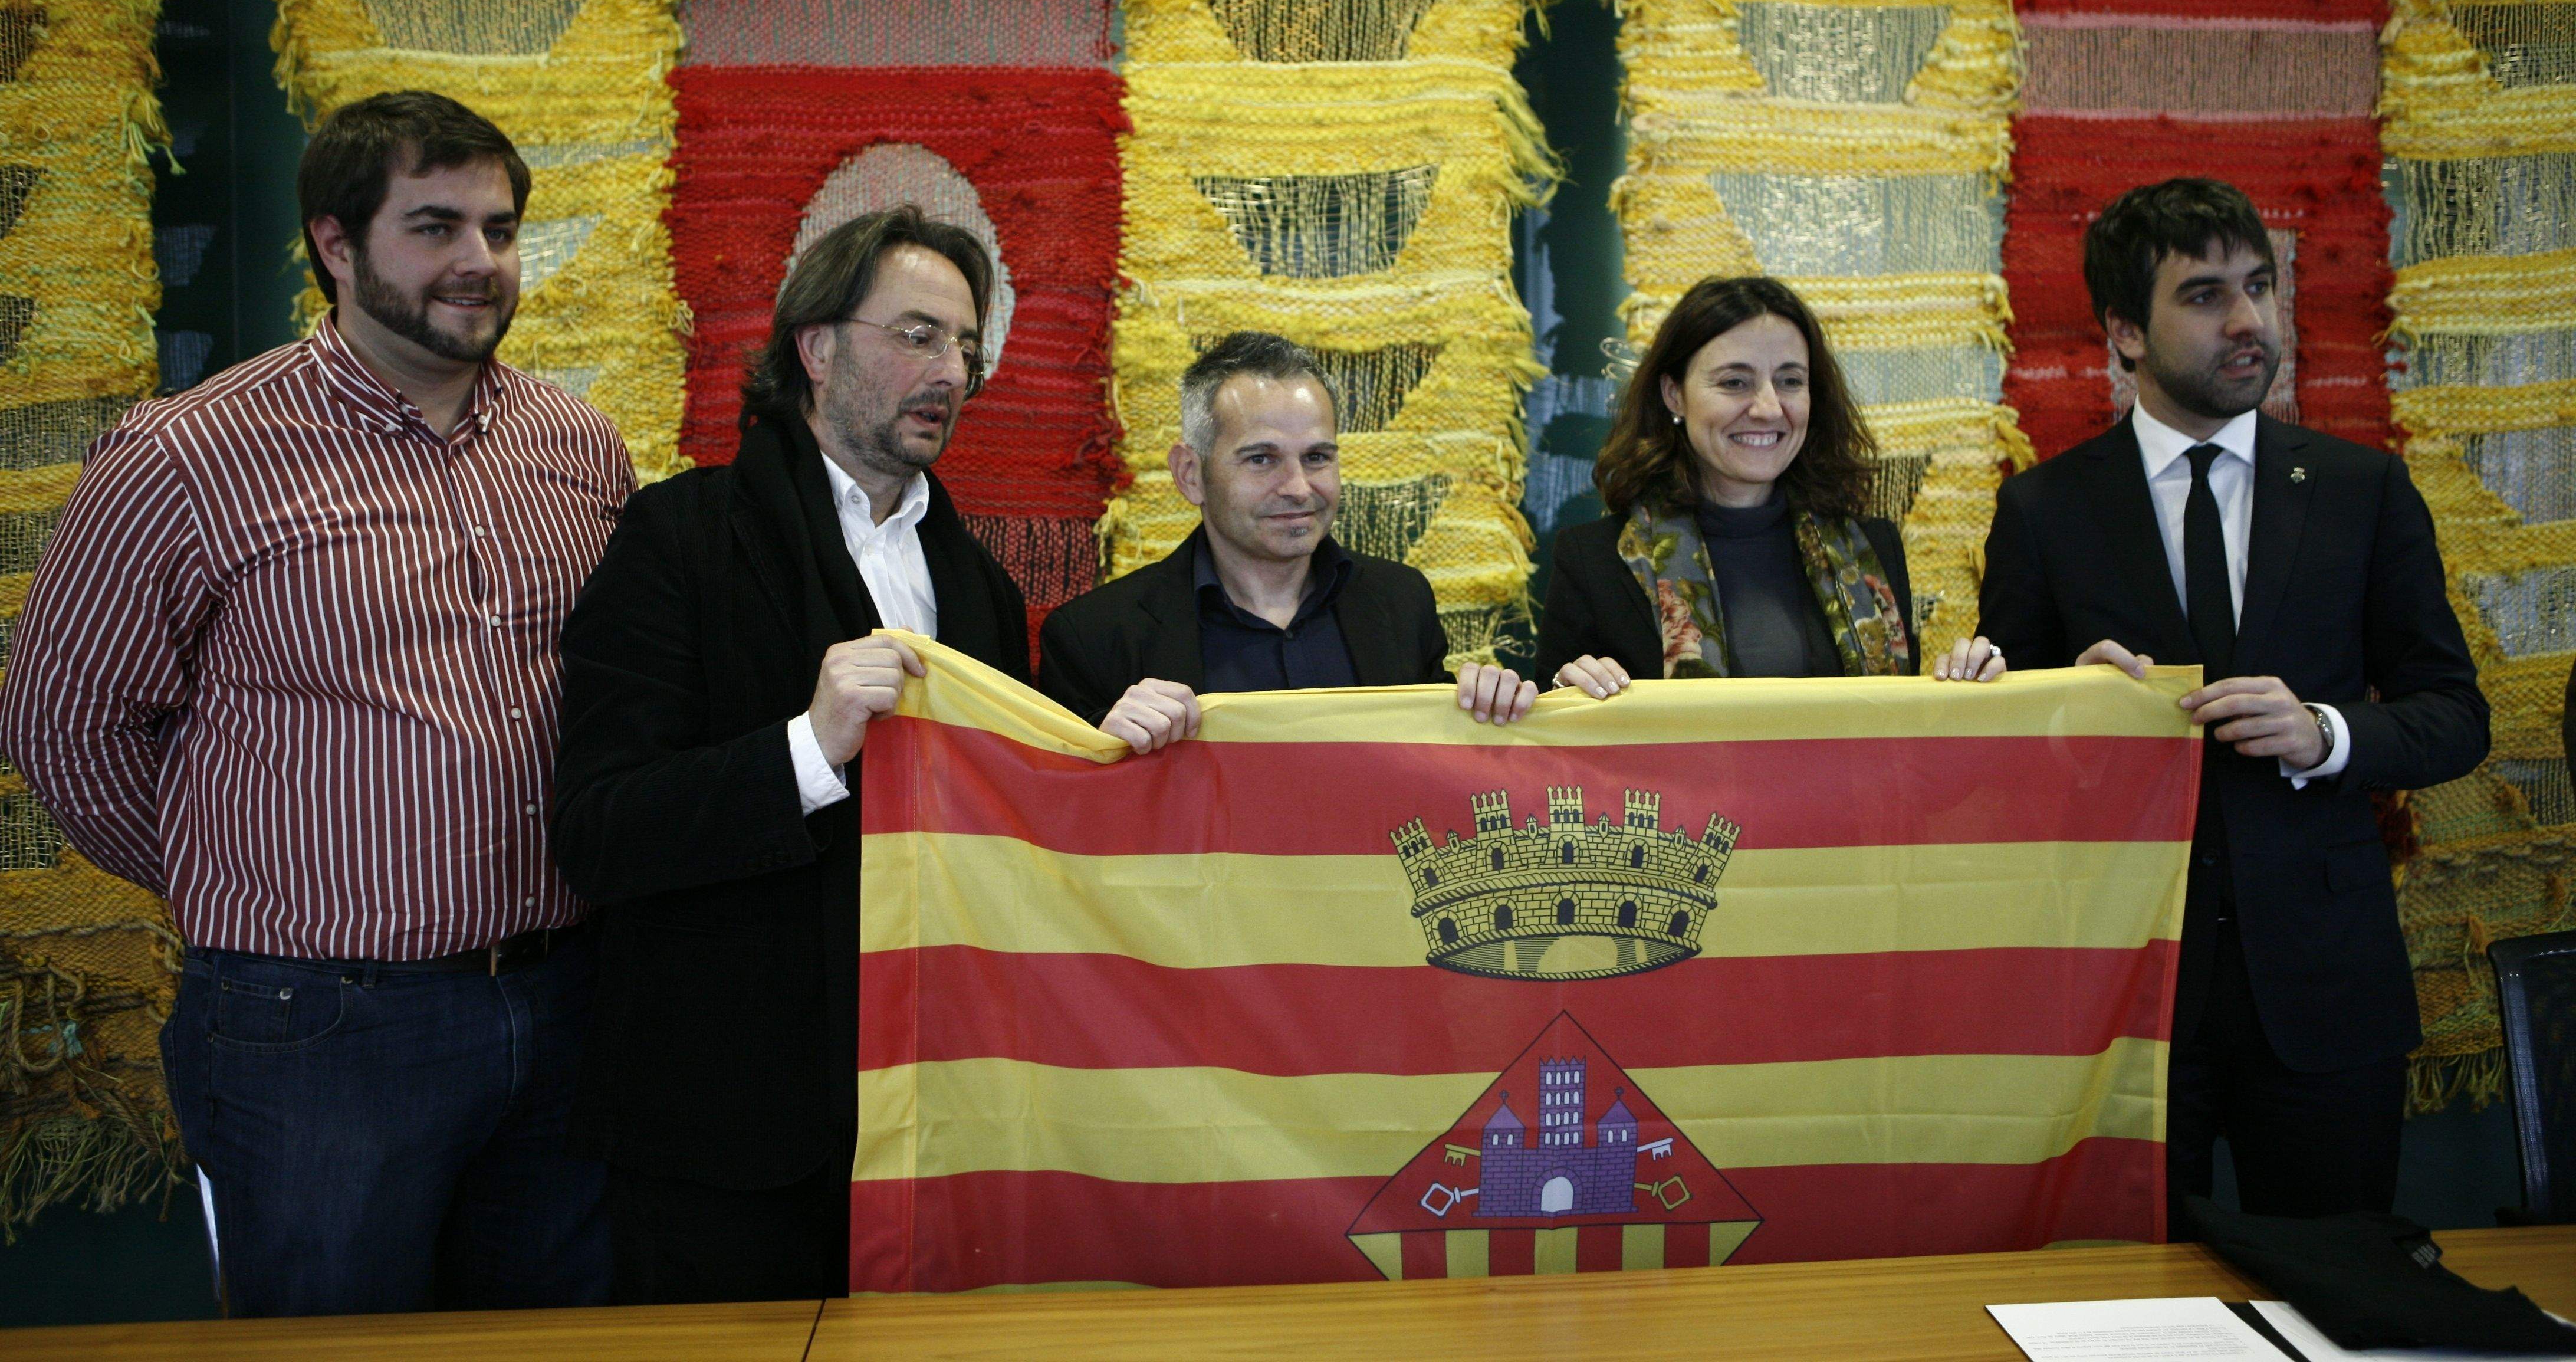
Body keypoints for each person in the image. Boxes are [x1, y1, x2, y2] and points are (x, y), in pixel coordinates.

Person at [0, 91, 632, 1316]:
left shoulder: (576, 444)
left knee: (559, 1345)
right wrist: (247, 878)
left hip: (563, 1002)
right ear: (335, 245)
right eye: (434, 227)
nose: (479, 265)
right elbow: (64, 726)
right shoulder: (190, 455)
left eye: (500, 231)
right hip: (314, 1031)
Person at [1941, 177, 2487, 1222]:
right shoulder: (2042, 509)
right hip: (2122, 1001)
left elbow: (2454, 714)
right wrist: (2067, 714)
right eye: (2202, 295)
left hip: (2325, 994)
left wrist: (2323, 732)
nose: (2247, 321)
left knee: (2343, 1298)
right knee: (2122, 1306)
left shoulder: (2359, 488)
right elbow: (2002, 768)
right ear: (2123, 334)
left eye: (2258, 286)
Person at [551, 204, 1027, 1304]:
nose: (948, 369)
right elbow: (597, 830)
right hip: (725, 1144)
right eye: (915, 334)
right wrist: (807, 748)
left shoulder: (983, 589)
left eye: (964, 345)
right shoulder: (677, 540)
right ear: (814, 347)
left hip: (926, 1129)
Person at [1039, 331, 1535, 749]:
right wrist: (1103, 754)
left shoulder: (1401, 603)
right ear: (1190, 474)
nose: (1299, 487)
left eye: (1318, 457)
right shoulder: (1093, 639)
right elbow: (1059, 827)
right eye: (1262, 459)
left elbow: (1440, 774)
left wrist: (1495, 710)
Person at [1536, 275, 1915, 697]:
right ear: (1674, 394)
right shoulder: (1594, 563)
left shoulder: (1876, 550)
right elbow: (1555, 739)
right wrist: (1561, 690)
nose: (1769, 408)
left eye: (1790, 381)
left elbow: (1909, 727)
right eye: (1735, 382)